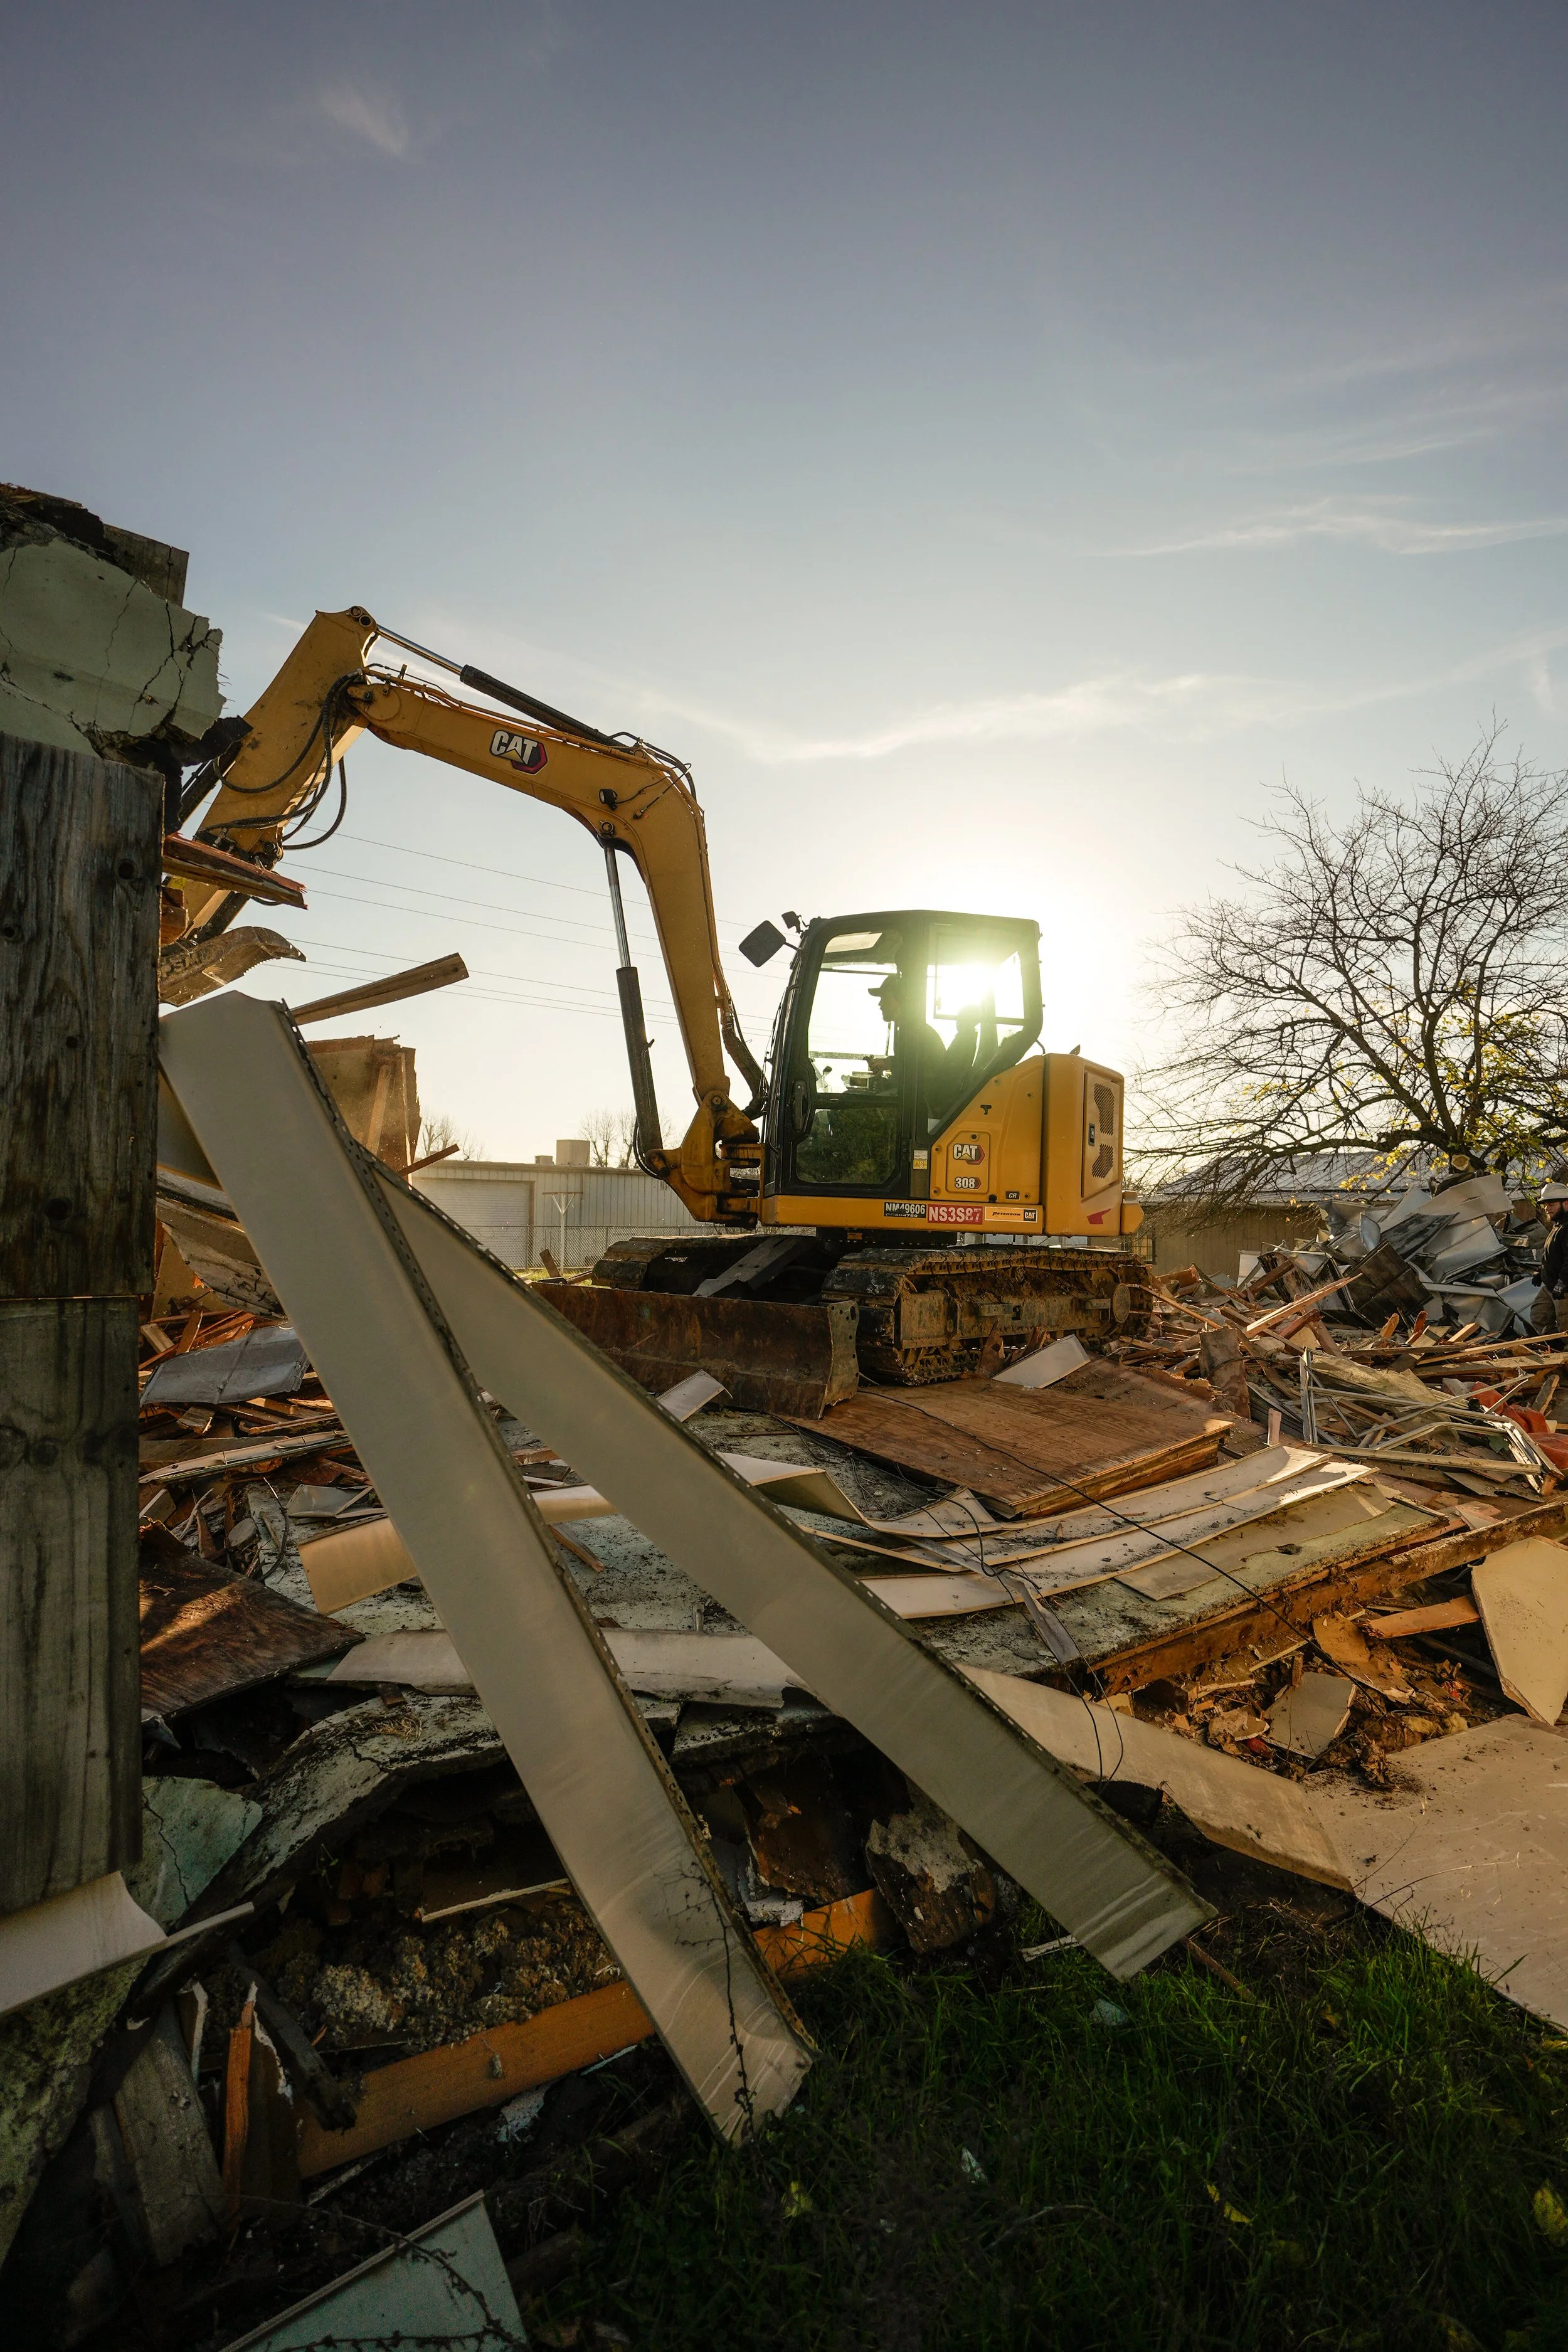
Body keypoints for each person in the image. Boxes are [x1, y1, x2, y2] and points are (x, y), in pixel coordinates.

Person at [1532, 1181, 1568, 1332]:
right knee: (1539, 1317)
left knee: (1565, 1327)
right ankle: (1554, 1350)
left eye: (1551, 1204)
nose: (1547, 1208)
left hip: (1565, 1289)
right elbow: (1552, 1254)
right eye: (1545, 1204)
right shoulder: (1558, 1225)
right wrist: (1541, 1273)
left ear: (1566, 1204)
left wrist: (1562, 1283)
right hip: (1551, 1286)